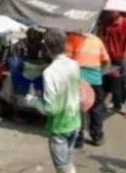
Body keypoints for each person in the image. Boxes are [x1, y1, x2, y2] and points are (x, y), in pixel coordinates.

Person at [31, 28, 83, 173]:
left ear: (47, 48)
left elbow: (50, 109)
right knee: (68, 161)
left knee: (62, 168)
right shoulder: (74, 65)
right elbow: (78, 92)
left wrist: (32, 101)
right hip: (75, 122)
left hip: (59, 127)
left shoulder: (50, 72)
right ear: (65, 45)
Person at [66, 30, 110, 147]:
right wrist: (99, 72)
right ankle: (97, 137)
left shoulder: (72, 38)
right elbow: (106, 61)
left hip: (77, 80)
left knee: (76, 109)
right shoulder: (97, 41)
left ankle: (78, 140)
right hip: (95, 79)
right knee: (96, 108)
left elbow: (67, 59)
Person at [101, 10, 126, 119]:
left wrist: (125, 54)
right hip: (110, 56)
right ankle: (115, 104)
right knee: (110, 81)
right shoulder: (107, 22)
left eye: (113, 11)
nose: (110, 12)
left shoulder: (125, 22)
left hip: (122, 57)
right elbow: (104, 38)